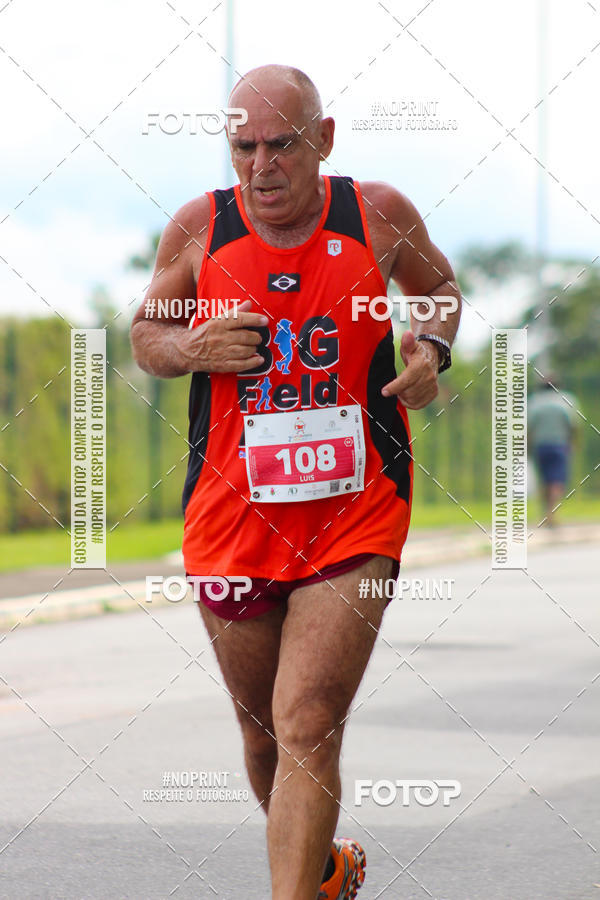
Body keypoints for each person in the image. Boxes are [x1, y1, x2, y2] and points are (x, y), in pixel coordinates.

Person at [131, 64, 461, 900]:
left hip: (355, 514)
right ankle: (321, 872)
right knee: (262, 736)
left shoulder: (377, 215)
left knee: (308, 720)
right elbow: (147, 332)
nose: (261, 166)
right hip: (231, 517)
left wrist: (430, 350)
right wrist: (190, 349)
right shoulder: (201, 227)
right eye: (244, 147)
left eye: (282, 145)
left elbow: (441, 291)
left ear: (324, 140)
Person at [528, 378, 579, 526]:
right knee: (556, 481)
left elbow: (528, 428)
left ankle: (545, 514)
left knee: (543, 480)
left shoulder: (534, 402)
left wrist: (526, 446)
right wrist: (574, 443)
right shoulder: (566, 400)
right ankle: (552, 513)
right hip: (560, 445)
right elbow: (574, 425)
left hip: (540, 446)